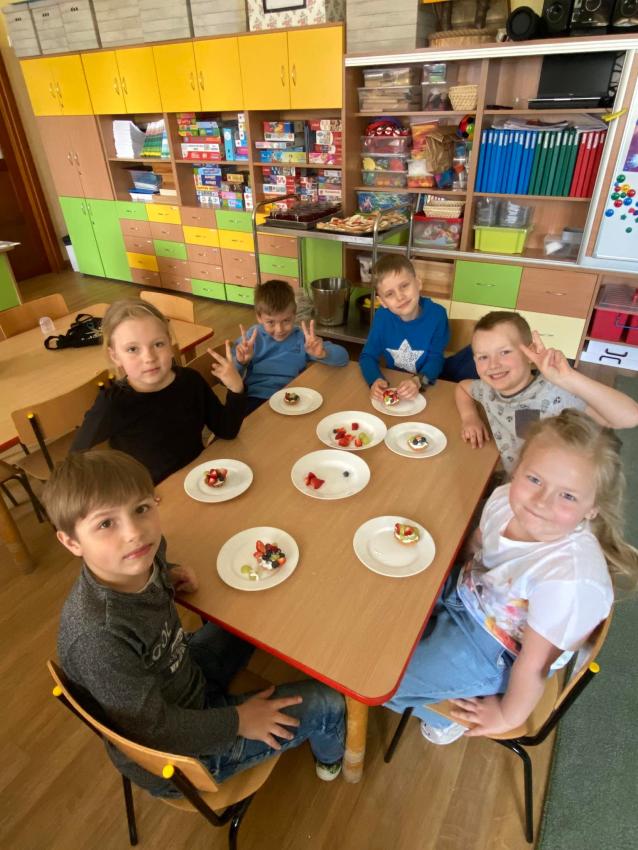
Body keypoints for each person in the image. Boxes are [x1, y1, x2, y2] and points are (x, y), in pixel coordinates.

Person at [44, 450, 346, 797]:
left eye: (141, 509)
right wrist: (239, 720)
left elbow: (154, 563)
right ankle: (331, 758)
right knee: (331, 704)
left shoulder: (143, 555)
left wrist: (168, 575)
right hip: (182, 756)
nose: (134, 533)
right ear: (71, 542)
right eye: (105, 524)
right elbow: (154, 730)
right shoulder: (98, 639)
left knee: (253, 610)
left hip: (184, 675)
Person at [385, 409, 637, 744]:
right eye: (534, 479)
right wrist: (435, 581)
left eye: (567, 495)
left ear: (592, 509)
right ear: (517, 468)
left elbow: (533, 666)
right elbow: (478, 543)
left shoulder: (568, 581)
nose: (541, 501)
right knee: (380, 613)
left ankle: (443, 720)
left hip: (499, 649)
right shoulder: (505, 499)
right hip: (469, 592)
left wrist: (506, 715)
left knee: (384, 678)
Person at [71, 299, 247, 484]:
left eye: (158, 344)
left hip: (198, 480)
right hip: (152, 494)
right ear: (115, 356)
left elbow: (227, 430)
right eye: (132, 349)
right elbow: (75, 463)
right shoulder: (112, 404)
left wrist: (236, 389)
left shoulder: (190, 381)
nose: (149, 358)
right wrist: (126, 495)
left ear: (170, 344)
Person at [455, 310, 638, 473]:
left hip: (555, 485)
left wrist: (569, 378)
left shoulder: (555, 393)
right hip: (516, 476)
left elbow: (630, 417)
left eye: (505, 352)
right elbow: (462, 387)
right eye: (483, 357)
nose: (493, 364)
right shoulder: (487, 390)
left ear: (530, 352)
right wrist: (470, 417)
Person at [233, 279, 349, 413]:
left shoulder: (302, 338)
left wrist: (323, 354)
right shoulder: (250, 340)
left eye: (286, 320)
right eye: (271, 322)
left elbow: (343, 357)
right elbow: (228, 378)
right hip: (257, 399)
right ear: (259, 317)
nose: (279, 329)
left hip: (293, 396)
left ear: (294, 315)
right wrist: (240, 362)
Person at [359, 255, 451, 403]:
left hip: (428, 385)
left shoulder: (437, 315)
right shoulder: (382, 317)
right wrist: (374, 380)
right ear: (382, 302)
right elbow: (367, 356)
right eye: (389, 294)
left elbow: (436, 359)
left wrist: (418, 381)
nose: (400, 297)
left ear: (418, 283)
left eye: (404, 286)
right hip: (396, 383)